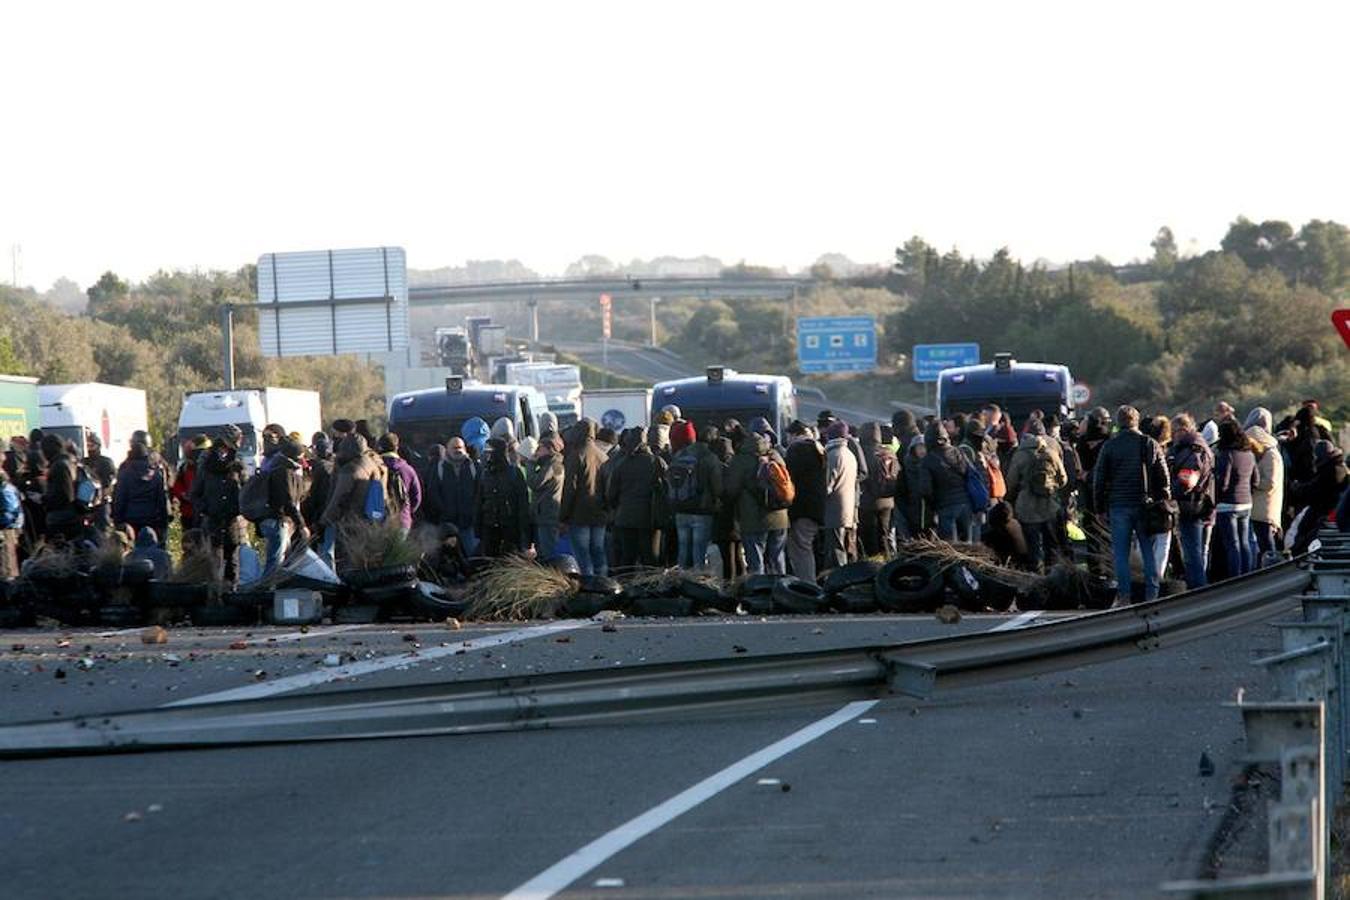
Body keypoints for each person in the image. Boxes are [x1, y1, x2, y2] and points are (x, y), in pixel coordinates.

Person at [1092, 406, 1170, 607]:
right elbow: (1163, 476)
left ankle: (1125, 595)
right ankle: (1152, 593)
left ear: (1118, 423)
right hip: (1144, 504)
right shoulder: (1149, 443)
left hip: (1118, 504)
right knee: (1148, 551)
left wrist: (1099, 507)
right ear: (1136, 421)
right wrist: (1164, 499)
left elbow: (1099, 479)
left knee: (1121, 554)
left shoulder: (1110, 446)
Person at [725, 424, 789, 575]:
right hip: (780, 515)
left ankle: (759, 594)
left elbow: (731, 489)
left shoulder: (740, 460)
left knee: (756, 561)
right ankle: (783, 591)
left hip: (753, 517)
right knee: (777, 559)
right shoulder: (775, 456)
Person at [188, 426, 248, 588]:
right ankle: (215, 596)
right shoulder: (206, 463)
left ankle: (231, 593)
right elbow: (195, 493)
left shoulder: (238, 463)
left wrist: (239, 507)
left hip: (232, 521)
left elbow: (246, 489)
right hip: (212, 520)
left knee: (232, 563)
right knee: (214, 562)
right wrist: (205, 508)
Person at [1004, 421, 1067, 571]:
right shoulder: (1050, 453)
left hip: (1027, 508)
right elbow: (1063, 479)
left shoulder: (1020, 455)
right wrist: (1052, 487)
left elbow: (1011, 482)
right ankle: (1053, 576)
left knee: (1033, 546)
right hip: (1050, 506)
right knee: (1051, 546)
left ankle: (1036, 578)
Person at [319, 433, 387, 566]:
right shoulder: (373, 464)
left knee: (347, 562)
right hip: (370, 520)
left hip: (350, 521)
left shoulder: (350, 469)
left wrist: (324, 520)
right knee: (364, 560)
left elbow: (339, 497)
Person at [606, 427, 665, 568]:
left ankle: (626, 585)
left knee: (627, 557)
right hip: (649, 516)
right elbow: (664, 489)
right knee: (650, 557)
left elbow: (611, 494)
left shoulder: (621, 464)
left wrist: (617, 507)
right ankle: (651, 586)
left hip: (624, 516)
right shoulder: (656, 462)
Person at [1168, 414, 1216, 589]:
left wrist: (1170, 492)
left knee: (1192, 552)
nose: (1172, 435)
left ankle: (1198, 588)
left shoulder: (1192, 451)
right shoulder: (1200, 448)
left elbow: (1187, 481)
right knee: (1196, 550)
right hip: (1200, 503)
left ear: (1182, 429)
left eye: (1174, 431)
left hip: (1191, 504)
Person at [666, 421, 721, 572]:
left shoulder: (680, 455)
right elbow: (717, 487)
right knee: (699, 551)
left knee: (683, 549)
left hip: (681, 507)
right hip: (702, 510)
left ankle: (681, 578)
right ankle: (697, 582)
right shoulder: (710, 458)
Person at [560, 418, 610, 577]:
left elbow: (570, 489)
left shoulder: (576, 456)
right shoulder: (603, 456)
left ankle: (588, 591)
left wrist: (563, 516)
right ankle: (603, 586)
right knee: (599, 553)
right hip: (600, 514)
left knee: (583, 556)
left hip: (579, 514)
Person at [1211, 419, 1258, 578]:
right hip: (1246, 503)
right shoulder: (1249, 454)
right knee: (1244, 542)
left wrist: (1215, 498)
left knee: (1232, 545)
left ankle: (1235, 578)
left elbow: (1223, 483)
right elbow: (1255, 480)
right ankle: (1248, 575)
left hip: (1227, 505)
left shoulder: (1227, 454)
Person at [1288, 440, 1348, 554]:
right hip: (1326, 509)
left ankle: (1298, 556)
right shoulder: (1336, 466)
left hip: (1324, 511)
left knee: (1305, 533)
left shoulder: (1330, 470)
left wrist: (1297, 487)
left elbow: (1315, 488)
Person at [474, 437, 530, 557]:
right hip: (489, 526)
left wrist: (524, 535)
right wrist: (478, 527)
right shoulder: (485, 473)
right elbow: (480, 501)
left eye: (490, 452)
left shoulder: (514, 473)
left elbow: (523, 505)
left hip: (510, 528)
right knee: (489, 561)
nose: (487, 456)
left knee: (509, 561)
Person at [784, 420, 825, 581]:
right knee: (806, 547)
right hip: (816, 508)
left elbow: (791, 479)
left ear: (794, 435)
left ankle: (807, 586)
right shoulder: (818, 449)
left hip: (802, 508)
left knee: (801, 549)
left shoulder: (797, 451)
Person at [1243, 408, 1285, 566]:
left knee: (1265, 545)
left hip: (1261, 507)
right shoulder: (1272, 451)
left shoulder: (1268, 453)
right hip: (1265, 507)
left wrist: (1249, 482)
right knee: (1265, 545)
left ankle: (1270, 572)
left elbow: (1269, 482)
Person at [920, 423, 975, 543]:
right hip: (965, 504)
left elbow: (926, 490)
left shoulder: (927, 460)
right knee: (968, 548)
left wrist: (933, 505)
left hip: (945, 506)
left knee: (950, 549)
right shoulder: (958, 452)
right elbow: (969, 474)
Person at [260, 437, 307, 578]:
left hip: (275, 519)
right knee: (275, 560)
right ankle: (267, 588)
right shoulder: (284, 472)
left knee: (278, 557)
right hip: (278, 520)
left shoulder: (278, 467)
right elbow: (288, 500)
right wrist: (302, 524)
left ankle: (271, 587)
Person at [112, 439, 170, 548]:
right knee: (152, 548)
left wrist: (118, 520)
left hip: (130, 519)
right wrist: (163, 522)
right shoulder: (156, 475)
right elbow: (161, 500)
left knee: (132, 549)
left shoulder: (125, 474)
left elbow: (120, 499)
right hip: (152, 518)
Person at [431, 437, 480, 555]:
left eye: (460, 447)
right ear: (447, 449)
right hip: (448, 524)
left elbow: (479, 491)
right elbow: (433, 492)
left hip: (469, 523)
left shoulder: (474, 467)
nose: (457, 450)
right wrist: (444, 511)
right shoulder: (439, 468)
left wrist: (474, 511)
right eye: (454, 448)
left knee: (472, 555)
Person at [859, 422, 899, 558]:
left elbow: (862, 475)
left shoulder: (864, 452)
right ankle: (888, 559)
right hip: (888, 501)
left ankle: (874, 564)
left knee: (870, 536)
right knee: (884, 533)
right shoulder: (889, 452)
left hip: (869, 502)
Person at [822, 420, 858, 568]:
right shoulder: (849, 453)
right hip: (847, 508)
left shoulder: (833, 455)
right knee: (844, 546)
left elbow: (827, 485)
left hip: (834, 510)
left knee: (836, 549)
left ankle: (839, 579)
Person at [526, 432, 565, 560]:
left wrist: (530, 465)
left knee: (547, 551)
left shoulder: (552, 465)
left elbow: (535, 483)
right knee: (543, 549)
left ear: (549, 449)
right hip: (544, 514)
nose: (537, 451)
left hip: (547, 514)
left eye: (540, 448)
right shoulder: (549, 464)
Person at [39, 435, 83, 542]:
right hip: (73, 515)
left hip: (61, 519)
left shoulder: (59, 466)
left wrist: (43, 499)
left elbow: (64, 495)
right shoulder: (71, 462)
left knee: (58, 551)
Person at [377, 433, 422, 536]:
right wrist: (407, 510)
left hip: (379, 518)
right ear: (396, 447)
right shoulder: (408, 469)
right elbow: (417, 497)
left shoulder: (375, 467)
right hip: (402, 520)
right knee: (397, 551)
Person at [171, 435, 209, 531]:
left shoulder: (211, 467)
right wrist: (184, 494)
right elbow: (177, 485)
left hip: (205, 512)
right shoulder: (186, 467)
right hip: (189, 512)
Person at [82, 434, 117, 533]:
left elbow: (111, 482)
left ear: (98, 446)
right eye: (88, 445)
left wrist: (103, 493)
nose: (90, 448)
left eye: (92, 445)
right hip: (86, 503)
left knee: (104, 530)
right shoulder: (85, 462)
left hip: (102, 503)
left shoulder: (106, 462)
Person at [0, 467, 23, 578]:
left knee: (6, 572)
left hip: (5, 533)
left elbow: (10, 515)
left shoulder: (5, 488)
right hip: (6, 532)